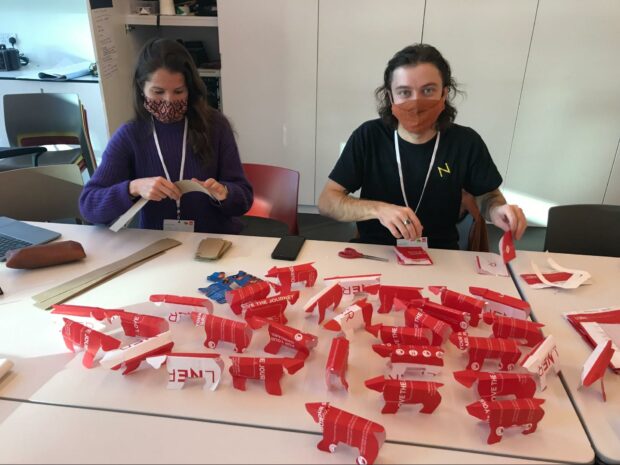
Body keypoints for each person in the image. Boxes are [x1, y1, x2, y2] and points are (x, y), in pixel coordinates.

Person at [318, 44, 526, 249]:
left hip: (440, 256)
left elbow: (489, 196)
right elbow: (328, 201)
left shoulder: (466, 142)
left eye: (428, 90)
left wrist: (498, 209)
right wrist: (378, 210)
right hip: (374, 252)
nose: (416, 103)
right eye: (404, 92)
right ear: (390, 97)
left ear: (444, 94)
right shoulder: (368, 137)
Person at [79, 38, 253, 233]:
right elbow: (89, 207)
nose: (168, 101)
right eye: (158, 92)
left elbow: (244, 199)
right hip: (156, 245)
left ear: (190, 89)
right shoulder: (130, 135)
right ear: (141, 88)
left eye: (178, 91)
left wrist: (225, 193)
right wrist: (133, 188)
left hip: (214, 242)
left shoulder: (215, 126)